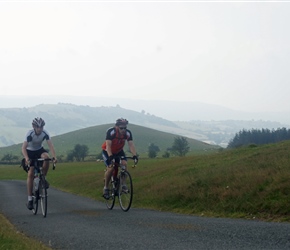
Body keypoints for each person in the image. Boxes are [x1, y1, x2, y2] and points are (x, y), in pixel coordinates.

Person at [21, 117, 57, 210]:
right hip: (30, 151)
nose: (40, 129)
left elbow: (50, 145)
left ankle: (42, 179)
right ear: (34, 127)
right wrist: (27, 158)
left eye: (41, 127)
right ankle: (29, 199)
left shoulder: (45, 133)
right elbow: (23, 148)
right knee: (31, 173)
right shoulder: (29, 134)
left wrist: (54, 157)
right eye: (38, 127)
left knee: (46, 158)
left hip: (39, 150)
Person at [101, 118, 138, 199]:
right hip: (107, 151)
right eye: (121, 128)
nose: (123, 130)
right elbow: (108, 145)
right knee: (110, 168)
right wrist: (110, 156)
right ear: (116, 127)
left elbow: (131, 144)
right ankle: (106, 188)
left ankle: (123, 184)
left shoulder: (127, 133)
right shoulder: (111, 131)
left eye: (125, 128)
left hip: (119, 151)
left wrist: (135, 155)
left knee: (124, 164)